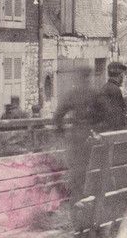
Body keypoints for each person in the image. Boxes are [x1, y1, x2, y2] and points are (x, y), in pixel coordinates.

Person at [54, 67, 108, 212]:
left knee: (77, 170)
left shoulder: (72, 94)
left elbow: (58, 115)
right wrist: (96, 127)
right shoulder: (95, 94)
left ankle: (76, 203)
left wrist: (62, 133)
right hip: (90, 136)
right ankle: (90, 203)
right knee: (92, 169)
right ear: (88, 77)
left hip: (75, 136)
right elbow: (105, 116)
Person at [100, 62, 127, 131]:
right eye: (123, 75)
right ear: (121, 75)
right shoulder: (115, 90)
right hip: (114, 129)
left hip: (106, 127)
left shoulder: (105, 87)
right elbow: (118, 113)